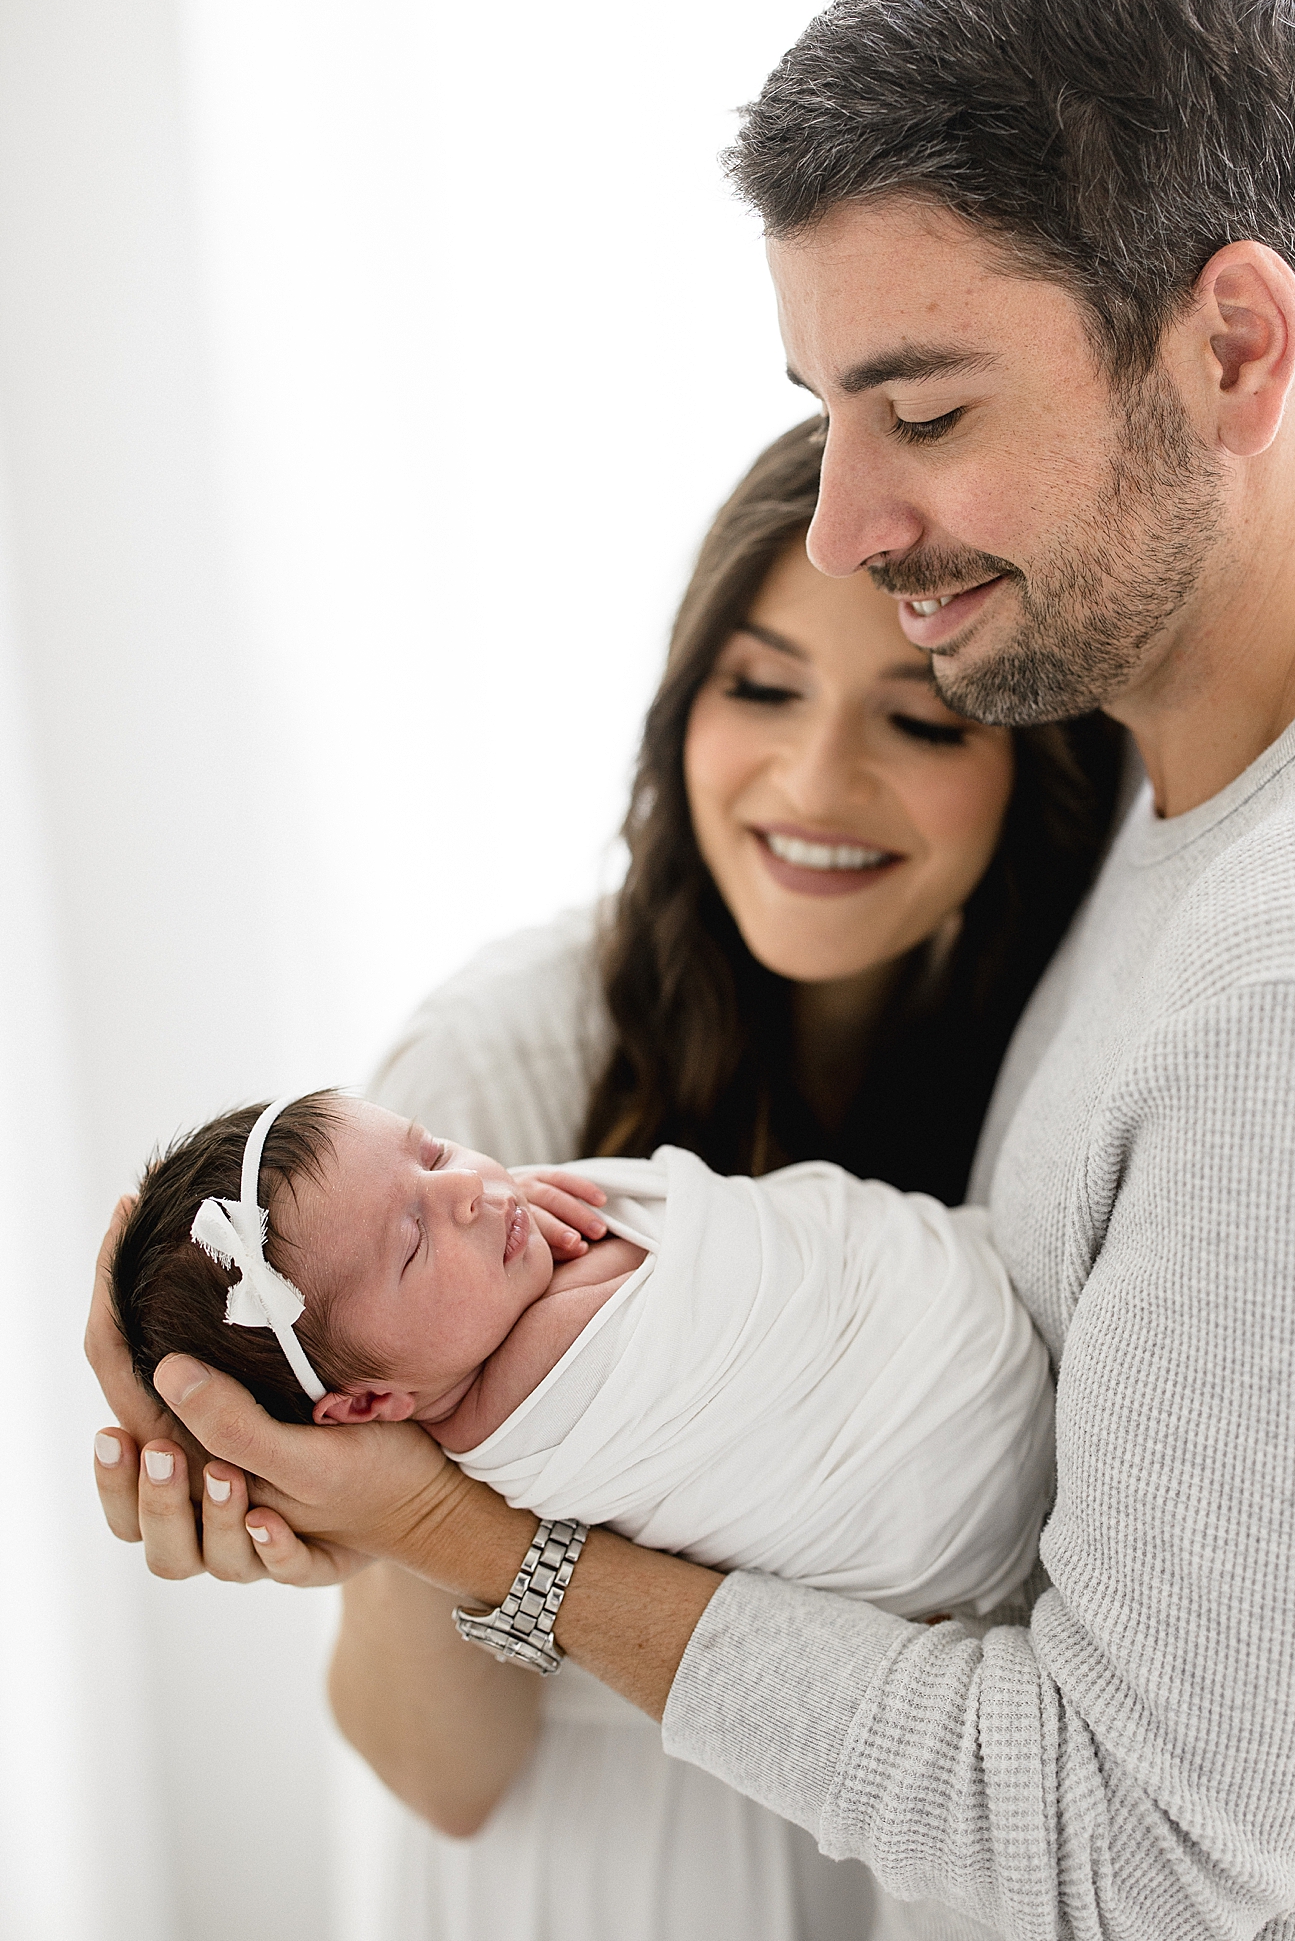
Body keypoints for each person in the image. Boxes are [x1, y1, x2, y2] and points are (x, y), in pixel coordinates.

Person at [88, 417, 1121, 1941]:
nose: (815, 779)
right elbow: (440, 1773)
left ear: (1029, 758)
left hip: (932, 1845)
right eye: (758, 687)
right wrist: (391, 1520)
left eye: (922, 721)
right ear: (679, 703)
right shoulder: (490, 1089)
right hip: (617, 1876)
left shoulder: (1064, 1058)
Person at [111, 1094, 1055, 1615]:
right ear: (367, 1406)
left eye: (431, 1154)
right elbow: (700, 1300)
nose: (475, 1193)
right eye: (412, 1246)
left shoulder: (492, 1276)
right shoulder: (519, 1418)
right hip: (940, 1441)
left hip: (920, 1333)